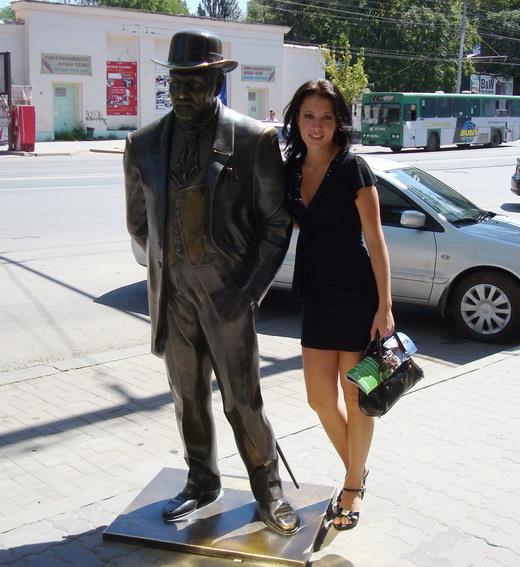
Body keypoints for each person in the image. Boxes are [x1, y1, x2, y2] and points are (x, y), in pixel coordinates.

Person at [124, 29, 300, 535]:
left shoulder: (253, 139)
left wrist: (248, 291)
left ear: (217, 83)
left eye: (194, 83)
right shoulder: (142, 144)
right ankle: (201, 480)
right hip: (173, 292)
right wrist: (173, 262)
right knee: (186, 394)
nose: (182, 92)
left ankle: (268, 489)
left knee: (242, 398)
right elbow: (139, 224)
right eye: (176, 82)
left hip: (229, 293)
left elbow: (276, 224)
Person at [283, 79, 394, 530]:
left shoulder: (353, 168)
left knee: (355, 396)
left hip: (356, 295)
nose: (317, 125)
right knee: (319, 399)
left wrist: (384, 308)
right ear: (296, 120)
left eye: (326, 117)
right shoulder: (291, 169)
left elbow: (376, 240)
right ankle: (357, 470)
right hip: (315, 293)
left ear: (338, 122)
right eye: (309, 116)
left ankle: (352, 487)